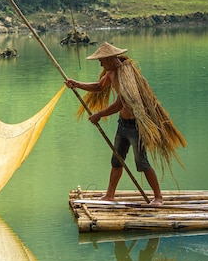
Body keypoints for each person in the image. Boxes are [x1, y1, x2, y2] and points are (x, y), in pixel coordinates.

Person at [66, 42, 186, 206]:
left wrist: (99, 115)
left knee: (142, 163)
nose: (100, 64)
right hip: (122, 124)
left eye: (102, 60)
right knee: (117, 160)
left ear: (110, 58)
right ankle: (110, 195)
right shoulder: (111, 72)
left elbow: (120, 103)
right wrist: (77, 84)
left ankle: (158, 197)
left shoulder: (126, 74)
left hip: (136, 126)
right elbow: (99, 86)